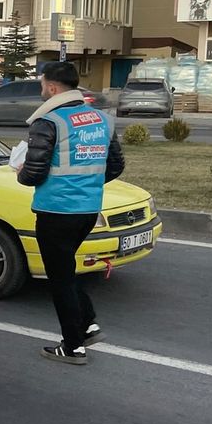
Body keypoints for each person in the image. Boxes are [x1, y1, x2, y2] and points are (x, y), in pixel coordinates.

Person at [17, 62, 124, 365]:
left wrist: (21, 171)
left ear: (52, 87)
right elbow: (115, 165)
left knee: (59, 278)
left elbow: (33, 173)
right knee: (64, 270)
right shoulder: (102, 119)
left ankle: (73, 346)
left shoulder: (49, 121)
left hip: (56, 210)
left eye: (42, 84)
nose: (41, 89)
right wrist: (86, 185)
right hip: (88, 209)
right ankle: (88, 325)